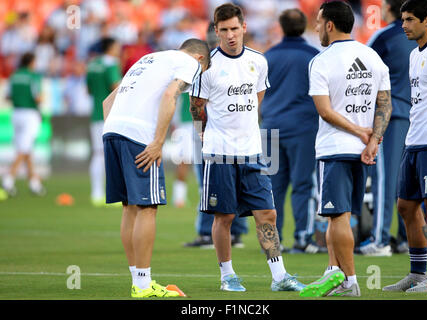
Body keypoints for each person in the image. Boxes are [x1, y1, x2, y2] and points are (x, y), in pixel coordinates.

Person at [189, 3, 304, 292]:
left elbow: (258, 98)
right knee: (224, 216)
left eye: (234, 28)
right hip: (219, 153)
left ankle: (280, 277)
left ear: (244, 28)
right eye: (224, 30)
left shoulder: (258, 61)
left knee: (267, 213)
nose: (230, 35)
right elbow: (195, 107)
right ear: (216, 31)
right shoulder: (206, 67)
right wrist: (201, 134)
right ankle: (227, 275)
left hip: (252, 152)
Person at [102, 38, 210, 298]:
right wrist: (158, 141)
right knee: (147, 209)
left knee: (129, 208)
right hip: (139, 137)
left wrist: (117, 132)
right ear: (200, 59)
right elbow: (169, 95)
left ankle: (137, 281)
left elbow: (108, 101)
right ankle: (143, 285)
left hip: (111, 131)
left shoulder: (146, 60)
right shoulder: (189, 64)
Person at [299, 1, 392, 297]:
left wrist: (359, 131)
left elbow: (325, 111)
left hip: (334, 149)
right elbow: (385, 104)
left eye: (317, 22)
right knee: (340, 215)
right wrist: (373, 140)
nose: (315, 28)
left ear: (329, 25)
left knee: (337, 216)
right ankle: (333, 273)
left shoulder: (321, 60)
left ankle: (350, 281)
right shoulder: (372, 56)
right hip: (363, 151)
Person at [383, 0, 427, 293]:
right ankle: (417, 274)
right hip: (414, 140)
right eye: (402, 19)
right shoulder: (414, 55)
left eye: (410, 20)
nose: (404, 25)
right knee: (406, 206)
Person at [261, 8, 322, 254]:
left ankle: (274, 240)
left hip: (271, 129)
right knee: (303, 185)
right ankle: (303, 237)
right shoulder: (314, 56)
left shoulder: (267, 57)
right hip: (304, 129)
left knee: (272, 187)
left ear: (282, 27)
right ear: (304, 25)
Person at [359, 0, 416, 256]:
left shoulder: (386, 36)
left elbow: (363, 72)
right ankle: (407, 239)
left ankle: (380, 240)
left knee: (385, 179)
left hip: (391, 117)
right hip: (420, 118)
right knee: (411, 182)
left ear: (389, 8)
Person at [184, 21, 248, 249]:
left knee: (208, 183)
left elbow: (197, 104)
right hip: (238, 132)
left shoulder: (206, 64)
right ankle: (236, 233)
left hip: (214, 133)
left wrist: (200, 132)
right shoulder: (244, 60)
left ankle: (207, 233)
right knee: (238, 182)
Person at [2, 52, 46, 197]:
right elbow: (37, 97)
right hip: (30, 114)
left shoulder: (14, 76)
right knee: (24, 148)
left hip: (16, 113)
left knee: (26, 148)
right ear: (32, 62)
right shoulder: (33, 77)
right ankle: (9, 178)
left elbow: (8, 96)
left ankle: (34, 183)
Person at [86, 37, 121, 207]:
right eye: (117, 47)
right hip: (110, 114)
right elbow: (116, 86)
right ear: (110, 48)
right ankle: (112, 195)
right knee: (110, 154)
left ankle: (96, 193)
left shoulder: (92, 64)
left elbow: (88, 89)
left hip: (95, 114)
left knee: (98, 153)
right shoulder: (111, 63)